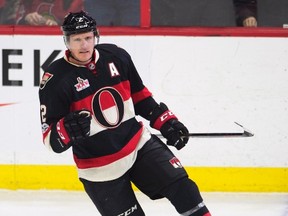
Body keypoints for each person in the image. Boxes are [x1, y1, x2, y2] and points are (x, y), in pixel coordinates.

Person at [38, 10, 211, 216]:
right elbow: (51, 140)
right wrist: (66, 130)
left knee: (186, 191)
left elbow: (140, 97)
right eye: (77, 39)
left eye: (87, 37)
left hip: (138, 145)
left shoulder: (116, 56)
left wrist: (166, 121)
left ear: (96, 36)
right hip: (98, 169)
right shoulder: (55, 79)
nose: (84, 45)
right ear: (66, 41)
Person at [15, 0, 83, 25]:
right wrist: (26, 18)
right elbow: (11, 23)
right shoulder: (28, 1)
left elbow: (79, 29)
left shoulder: (72, 2)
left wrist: (58, 26)